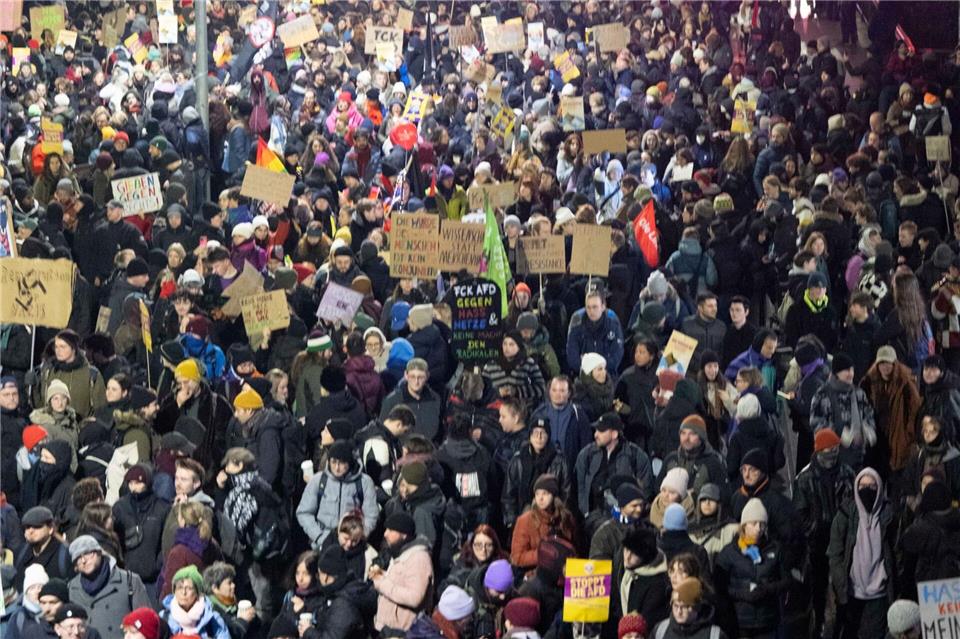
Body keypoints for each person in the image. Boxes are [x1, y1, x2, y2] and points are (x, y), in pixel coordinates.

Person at [827, 468, 895, 639]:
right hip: (851, 593)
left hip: (879, 593)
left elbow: (896, 550)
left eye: (872, 486)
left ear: (879, 488)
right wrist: (841, 581)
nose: (866, 490)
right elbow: (835, 552)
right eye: (862, 485)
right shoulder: (846, 513)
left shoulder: (888, 514)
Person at [715, 499, 789, 639]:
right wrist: (743, 594)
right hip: (739, 622)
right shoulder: (729, 553)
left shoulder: (776, 549)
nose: (758, 529)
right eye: (754, 523)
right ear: (744, 525)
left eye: (762, 524)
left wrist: (766, 589)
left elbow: (786, 581)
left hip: (767, 620)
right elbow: (720, 587)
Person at [296, 440, 378, 550]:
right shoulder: (318, 480)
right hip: (323, 543)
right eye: (333, 462)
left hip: (352, 543)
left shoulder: (364, 482)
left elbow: (371, 515)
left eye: (342, 463)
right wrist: (319, 536)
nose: (337, 467)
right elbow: (304, 512)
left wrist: (358, 537)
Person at [575, 413, 654, 525]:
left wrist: (632, 514)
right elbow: (580, 487)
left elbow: (646, 489)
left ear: (614, 434)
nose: (596, 435)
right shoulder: (586, 454)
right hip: (592, 521)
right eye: (596, 430)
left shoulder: (636, 455)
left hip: (625, 523)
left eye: (601, 431)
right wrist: (586, 512)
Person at [66, 536, 150, 639]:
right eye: (78, 558)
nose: (84, 560)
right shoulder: (72, 588)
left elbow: (147, 622)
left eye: (88, 553)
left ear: (99, 552)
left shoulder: (129, 580)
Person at [810, 352, 878, 470]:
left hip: (859, 456)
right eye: (846, 370)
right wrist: (840, 436)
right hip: (832, 458)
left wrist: (867, 432)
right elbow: (816, 423)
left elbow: (869, 414)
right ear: (836, 373)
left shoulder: (858, 393)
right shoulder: (822, 394)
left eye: (852, 370)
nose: (850, 374)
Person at [370, 512, 433, 635]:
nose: (385, 534)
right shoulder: (400, 553)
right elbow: (399, 581)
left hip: (402, 631)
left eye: (390, 530)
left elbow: (415, 597)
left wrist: (382, 583)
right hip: (387, 629)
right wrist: (381, 575)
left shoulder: (419, 558)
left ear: (404, 535)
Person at [510, 475, 577, 574]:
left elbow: (574, 549)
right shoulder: (525, 520)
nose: (540, 498)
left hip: (562, 572)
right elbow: (516, 557)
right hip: (534, 574)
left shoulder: (566, 518)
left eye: (545, 493)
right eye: (537, 494)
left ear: (554, 495)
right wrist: (544, 554)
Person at [379, 359, 443, 443]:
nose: (416, 382)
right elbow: (382, 431)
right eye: (412, 376)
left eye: (420, 377)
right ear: (406, 375)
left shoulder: (435, 399)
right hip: (402, 453)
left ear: (427, 376)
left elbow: (441, 430)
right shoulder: (392, 401)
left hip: (430, 451)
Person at [160, 565, 230, 639]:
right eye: (179, 588)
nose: (184, 592)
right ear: (174, 591)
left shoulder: (212, 618)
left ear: (198, 593)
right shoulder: (164, 617)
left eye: (189, 588)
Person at [566, 289, 625, 375]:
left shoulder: (613, 325)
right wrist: (589, 369)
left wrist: (598, 368)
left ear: (603, 307)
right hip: (583, 375)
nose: (591, 311)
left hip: (607, 375)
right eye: (588, 307)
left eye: (595, 307)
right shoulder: (577, 326)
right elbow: (572, 357)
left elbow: (616, 355)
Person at [651, 576, 728, 639]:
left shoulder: (714, 635)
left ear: (697, 608)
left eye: (684, 607)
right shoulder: (660, 631)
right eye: (675, 606)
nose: (679, 611)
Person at [405, 585, 475, 639]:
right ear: (457, 620)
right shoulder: (432, 635)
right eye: (468, 617)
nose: (471, 619)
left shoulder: (427, 626)